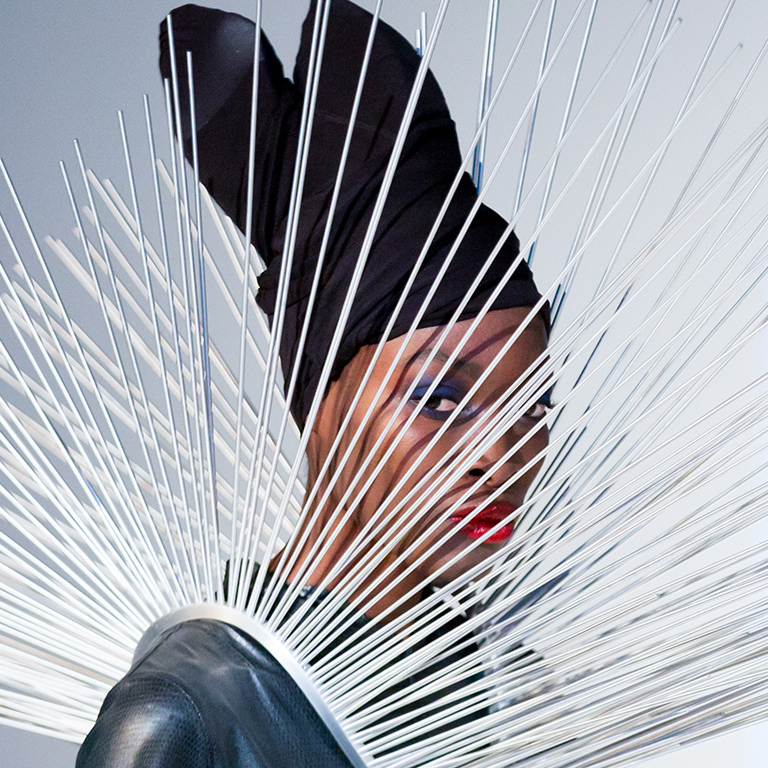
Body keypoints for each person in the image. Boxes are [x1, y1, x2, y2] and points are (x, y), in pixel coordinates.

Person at [75, 2, 550, 765]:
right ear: (324, 404)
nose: (500, 456)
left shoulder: (503, 692)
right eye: (438, 397)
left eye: (530, 407)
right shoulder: (189, 717)